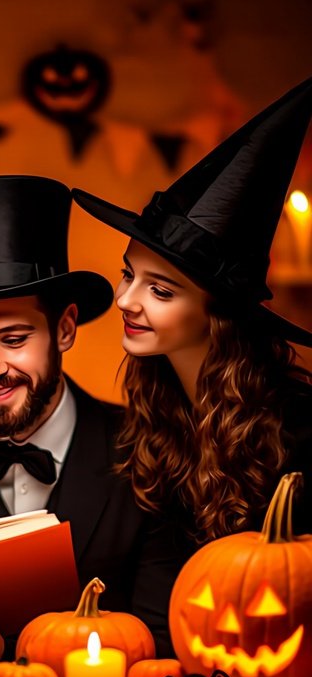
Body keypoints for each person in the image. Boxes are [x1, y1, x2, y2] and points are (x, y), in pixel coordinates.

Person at [0, 175, 186, 674]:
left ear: (63, 329)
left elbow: (162, 643)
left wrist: (5, 652)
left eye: (14, 339)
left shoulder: (152, 451)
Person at [71, 76, 312, 546]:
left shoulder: (298, 432)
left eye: (160, 291)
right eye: (128, 274)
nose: (126, 300)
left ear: (217, 313)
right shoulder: (159, 411)